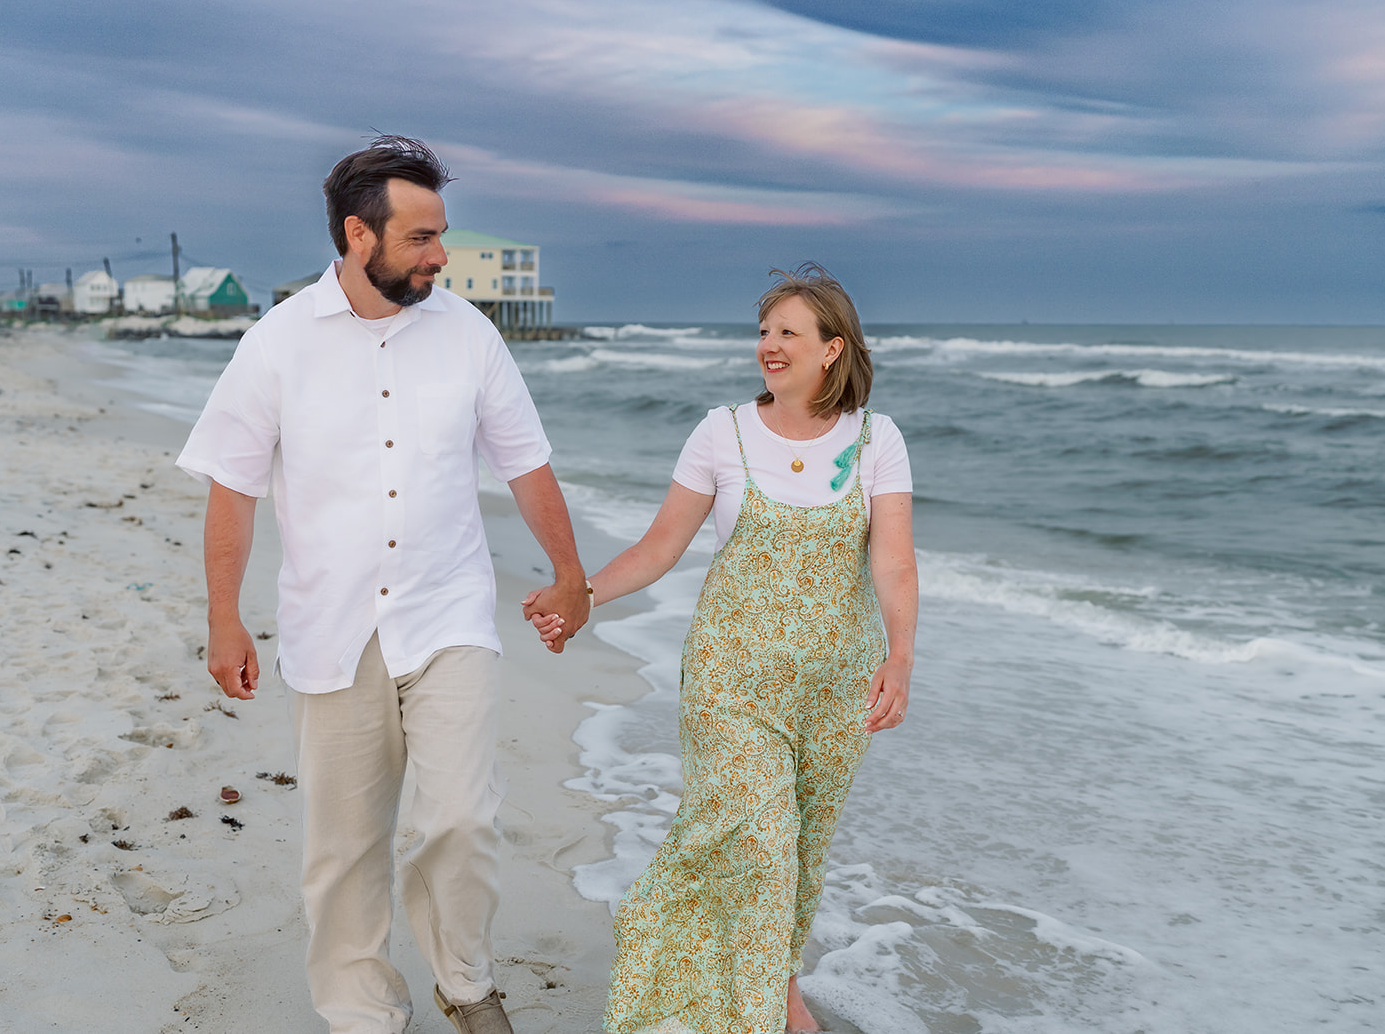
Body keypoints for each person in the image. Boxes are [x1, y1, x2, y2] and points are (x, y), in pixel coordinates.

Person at [177, 135, 591, 1034]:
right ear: (359, 238)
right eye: (421, 238)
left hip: (448, 614)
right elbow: (232, 490)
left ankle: (468, 983)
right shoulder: (276, 344)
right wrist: (225, 619)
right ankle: (363, 1011)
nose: (440, 255)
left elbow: (526, 463)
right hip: (333, 626)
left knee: (460, 819)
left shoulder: (469, 334)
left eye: (441, 234)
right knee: (344, 848)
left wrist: (570, 574)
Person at [527, 264, 917, 1034]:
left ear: (833, 348)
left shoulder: (876, 439)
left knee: (801, 849)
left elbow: (894, 560)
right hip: (730, 679)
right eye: (765, 331)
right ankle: (766, 1011)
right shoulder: (723, 431)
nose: (769, 346)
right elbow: (660, 544)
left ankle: (779, 984)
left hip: (835, 688)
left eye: (788, 333)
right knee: (762, 839)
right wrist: (586, 596)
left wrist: (899, 657)